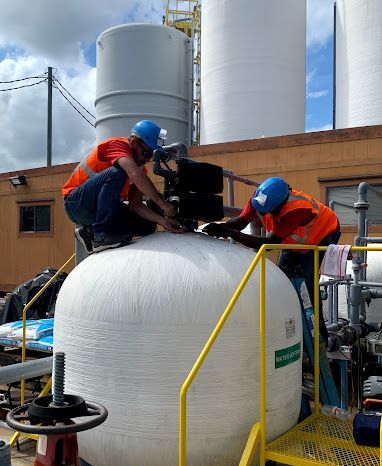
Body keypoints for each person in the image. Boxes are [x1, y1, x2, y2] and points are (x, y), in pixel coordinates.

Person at [203, 176, 341, 342]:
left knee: (308, 285)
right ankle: (291, 328)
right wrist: (221, 227)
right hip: (294, 239)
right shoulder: (260, 200)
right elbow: (240, 222)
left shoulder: (296, 209)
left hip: (324, 232)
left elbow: (270, 243)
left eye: (270, 211)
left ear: (282, 203)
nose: (264, 215)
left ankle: (319, 336)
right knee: (283, 276)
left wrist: (229, 233)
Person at [62, 119, 184, 253]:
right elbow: (133, 173)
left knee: (147, 226)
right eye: (146, 153)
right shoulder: (117, 145)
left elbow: (136, 205)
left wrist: (164, 221)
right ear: (134, 142)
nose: (147, 159)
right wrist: (161, 203)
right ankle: (100, 235)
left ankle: (89, 233)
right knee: (118, 171)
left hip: (99, 209)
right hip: (77, 204)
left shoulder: (139, 170)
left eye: (150, 156)